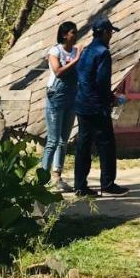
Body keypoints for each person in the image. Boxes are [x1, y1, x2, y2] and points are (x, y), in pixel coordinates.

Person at [73, 15, 130, 198]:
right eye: (111, 32)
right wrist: (111, 98)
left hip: (82, 103)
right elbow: (102, 81)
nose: (111, 36)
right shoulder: (103, 52)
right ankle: (108, 184)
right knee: (106, 145)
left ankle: (80, 186)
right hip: (97, 105)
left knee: (83, 145)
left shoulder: (86, 51)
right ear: (105, 32)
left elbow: (82, 77)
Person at [40, 20, 82, 192]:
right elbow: (58, 71)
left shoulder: (75, 50)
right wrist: (77, 59)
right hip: (56, 95)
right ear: (65, 34)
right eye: (73, 32)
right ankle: (42, 178)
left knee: (63, 141)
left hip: (72, 95)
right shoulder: (55, 51)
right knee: (53, 140)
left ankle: (57, 176)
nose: (75, 34)